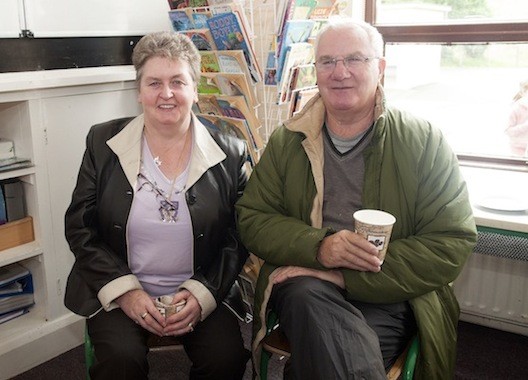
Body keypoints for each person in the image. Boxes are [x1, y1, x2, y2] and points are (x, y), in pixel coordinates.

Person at [236, 19, 477, 379]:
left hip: (390, 293)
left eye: (355, 59)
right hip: (305, 283)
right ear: (315, 71)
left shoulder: (424, 142)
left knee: (318, 361)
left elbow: (451, 243)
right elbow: (253, 218)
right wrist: (320, 248)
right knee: (306, 297)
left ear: (379, 67)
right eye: (328, 61)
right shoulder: (286, 142)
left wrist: (346, 276)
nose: (340, 72)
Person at [64, 31, 250, 380]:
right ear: (139, 91)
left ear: (195, 90)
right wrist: (126, 292)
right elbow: (79, 227)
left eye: (178, 82)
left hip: (201, 287)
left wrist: (202, 293)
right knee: (120, 360)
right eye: (154, 83)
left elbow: (239, 237)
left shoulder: (230, 152)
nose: (166, 94)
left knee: (226, 360)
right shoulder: (103, 144)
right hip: (122, 289)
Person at [505, 79, 528, 157]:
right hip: (517, 152)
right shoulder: (515, 108)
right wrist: (525, 126)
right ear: (524, 92)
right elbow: (507, 131)